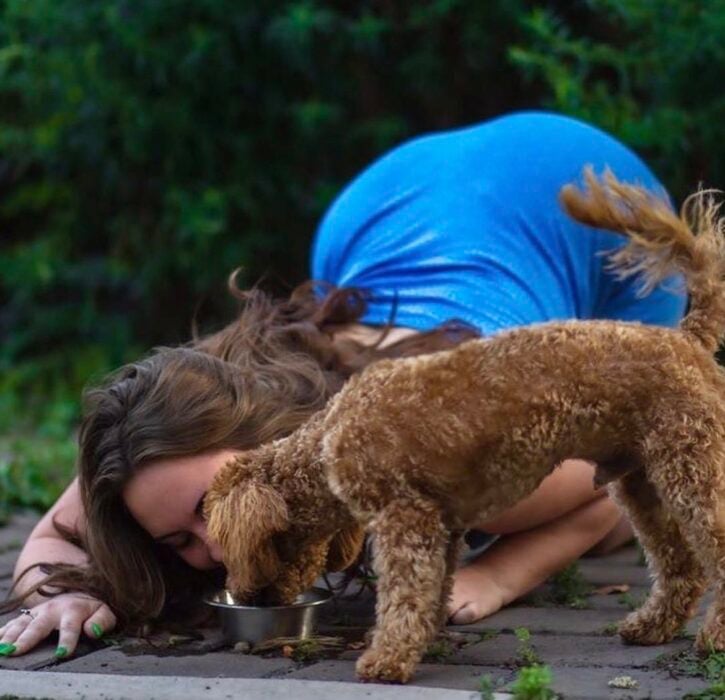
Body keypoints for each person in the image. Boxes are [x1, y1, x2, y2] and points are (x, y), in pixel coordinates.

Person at [0, 111, 686, 659]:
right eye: (181, 542)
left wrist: (496, 575)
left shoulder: (442, 441)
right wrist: (52, 597)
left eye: (211, 508)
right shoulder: (181, 433)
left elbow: (610, 485)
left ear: (268, 431)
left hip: (589, 207)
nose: (213, 554)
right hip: (386, 205)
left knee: (623, 483)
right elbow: (61, 533)